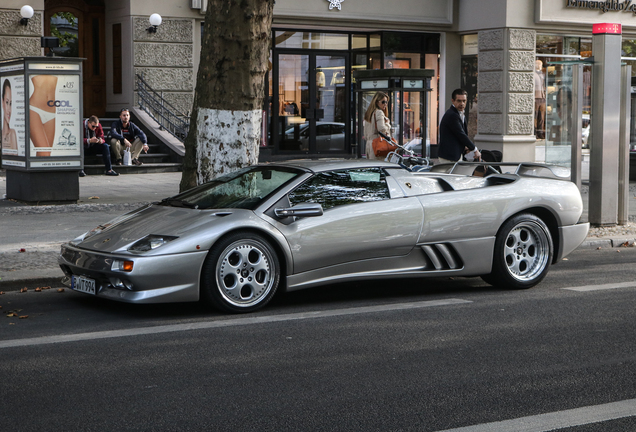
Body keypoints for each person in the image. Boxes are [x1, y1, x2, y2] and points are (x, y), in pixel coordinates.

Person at [438, 88, 480, 164]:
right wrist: (474, 149)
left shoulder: (459, 114)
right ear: (453, 101)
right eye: (459, 101)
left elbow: (456, 135)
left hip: (454, 156)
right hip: (449, 157)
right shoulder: (452, 115)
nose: (462, 103)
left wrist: (465, 147)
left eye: (464, 101)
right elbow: (461, 134)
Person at [29, 75, 57, 157]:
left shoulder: (56, 64)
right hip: (34, 108)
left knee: (46, 154)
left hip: (51, 113)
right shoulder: (35, 63)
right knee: (44, 152)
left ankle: (38, 169)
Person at [363, 91, 391, 160]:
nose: (385, 104)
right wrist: (387, 124)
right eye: (383, 102)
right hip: (377, 146)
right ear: (377, 102)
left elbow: (365, 134)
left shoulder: (369, 113)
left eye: (386, 102)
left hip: (369, 146)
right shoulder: (379, 112)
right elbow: (382, 130)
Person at [2, 79, 18, 151]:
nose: (9, 109)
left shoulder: (12, 134)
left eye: (10, 104)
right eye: (7, 102)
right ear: (2, 103)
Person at [534, 60, 546, 139]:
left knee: (541, 116)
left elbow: (544, 84)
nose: (541, 66)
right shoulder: (532, 74)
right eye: (540, 64)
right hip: (535, 97)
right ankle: (534, 132)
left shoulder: (543, 74)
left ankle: (540, 132)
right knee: (535, 116)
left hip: (542, 97)